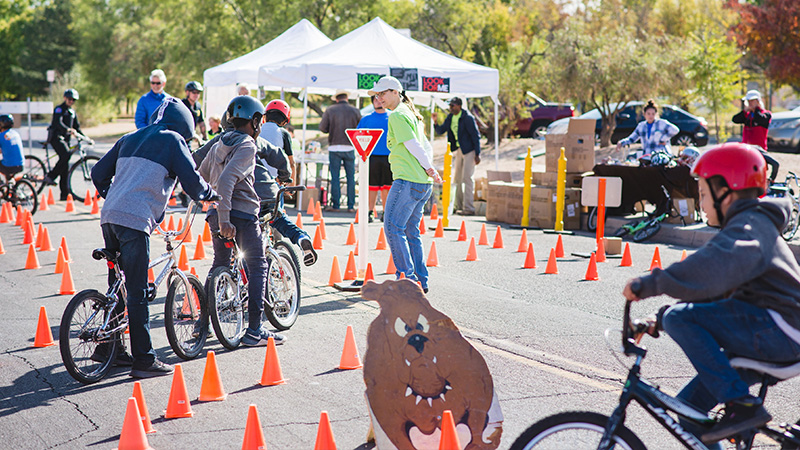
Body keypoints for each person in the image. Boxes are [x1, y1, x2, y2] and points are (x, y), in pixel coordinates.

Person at [622, 143, 800, 446]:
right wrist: (658, 319)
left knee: (681, 318)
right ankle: (740, 407)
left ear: (724, 191)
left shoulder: (748, 228)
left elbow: (709, 270)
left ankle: (742, 407)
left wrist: (651, 284)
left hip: (780, 333)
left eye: (703, 194)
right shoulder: (748, 226)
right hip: (768, 333)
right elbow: (716, 293)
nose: (701, 204)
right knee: (689, 411)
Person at [91, 98, 216, 378]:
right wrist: (210, 194)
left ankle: (108, 348)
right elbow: (192, 181)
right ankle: (144, 360)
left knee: (118, 285)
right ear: (183, 126)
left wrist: (113, 196)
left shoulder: (129, 137)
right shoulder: (173, 140)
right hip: (134, 222)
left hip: (109, 216)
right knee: (137, 291)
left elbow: (97, 172)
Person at [199, 95, 287, 346]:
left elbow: (203, 173)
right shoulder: (248, 144)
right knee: (258, 266)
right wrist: (227, 218)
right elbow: (227, 180)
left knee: (219, 265)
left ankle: (202, 326)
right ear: (256, 121)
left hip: (216, 213)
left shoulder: (219, 143)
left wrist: (210, 205)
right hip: (241, 215)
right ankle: (255, 331)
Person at [368, 76, 442, 293]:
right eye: (377, 95)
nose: (379, 98)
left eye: (382, 93)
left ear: (394, 92)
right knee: (411, 231)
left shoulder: (398, 116)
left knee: (392, 227)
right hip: (420, 182)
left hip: (408, 180)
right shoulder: (411, 113)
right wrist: (430, 170)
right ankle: (420, 280)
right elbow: (425, 145)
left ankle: (407, 279)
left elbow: (414, 145)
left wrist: (430, 168)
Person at [433, 97, 482, 215]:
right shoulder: (450, 117)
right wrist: (435, 122)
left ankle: (469, 208)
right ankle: (459, 206)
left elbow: (476, 136)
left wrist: (477, 153)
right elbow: (441, 130)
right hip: (459, 150)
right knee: (457, 179)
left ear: (459, 106)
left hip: (469, 150)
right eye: (450, 106)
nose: (450, 108)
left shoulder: (468, 118)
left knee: (467, 178)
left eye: (452, 106)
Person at [44, 89, 90, 200]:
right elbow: (57, 122)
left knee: (65, 165)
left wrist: (86, 138)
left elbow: (77, 128)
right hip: (56, 138)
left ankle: (64, 194)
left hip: (66, 140)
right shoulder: (59, 109)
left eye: (73, 100)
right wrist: (68, 130)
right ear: (65, 98)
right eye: (69, 99)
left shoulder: (72, 112)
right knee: (66, 155)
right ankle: (51, 176)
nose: (71, 101)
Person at [319, 89, 361, 211]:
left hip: (334, 146)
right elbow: (360, 128)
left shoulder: (330, 110)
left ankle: (336, 205)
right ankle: (351, 205)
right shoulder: (355, 110)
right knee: (351, 178)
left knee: (335, 177)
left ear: (337, 99)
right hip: (350, 146)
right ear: (346, 98)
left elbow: (323, 128)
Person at [358, 95, 391, 222]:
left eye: (380, 99)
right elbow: (357, 136)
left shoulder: (392, 117)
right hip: (371, 157)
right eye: (375, 100)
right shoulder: (366, 119)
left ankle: (386, 213)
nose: (378, 102)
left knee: (387, 187)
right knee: (372, 187)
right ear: (372, 102)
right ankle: (369, 212)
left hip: (389, 156)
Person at [260, 99, 296, 187]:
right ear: (284, 121)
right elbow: (291, 163)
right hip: (274, 180)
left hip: (255, 177)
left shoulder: (257, 130)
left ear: (265, 116)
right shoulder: (283, 133)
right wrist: (292, 185)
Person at [0, 114, 24, 180]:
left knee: (5, 165)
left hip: (9, 166)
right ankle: (10, 185)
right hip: (21, 164)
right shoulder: (15, 133)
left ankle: (1, 184)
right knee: (6, 162)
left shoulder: (1, 136)